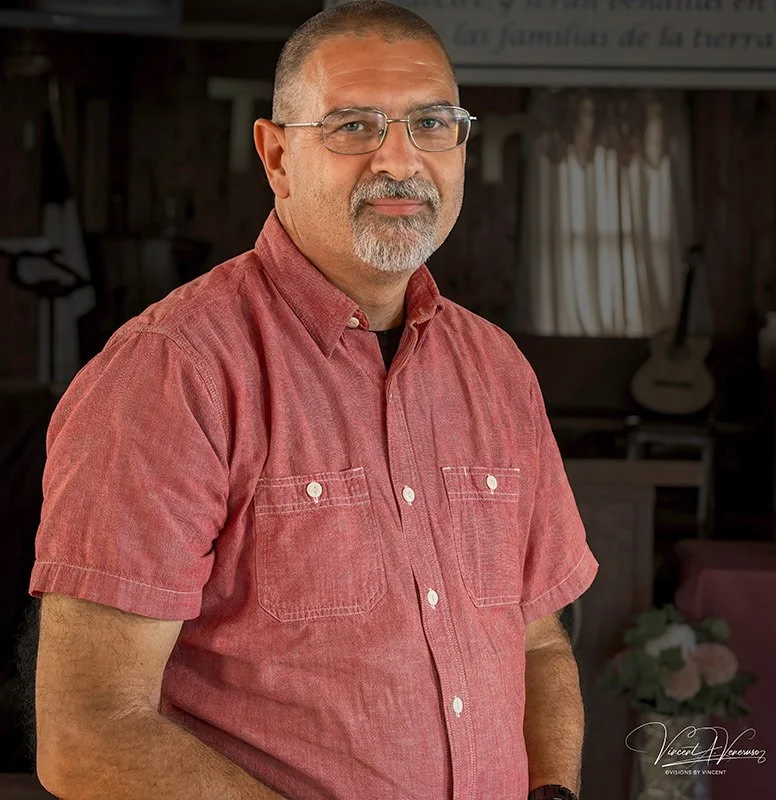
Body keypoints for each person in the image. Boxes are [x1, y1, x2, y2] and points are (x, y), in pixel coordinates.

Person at [29, 2, 599, 799]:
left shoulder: (498, 371)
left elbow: (537, 642)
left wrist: (555, 790)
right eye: (354, 126)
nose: (400, 161)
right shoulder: (171, 374)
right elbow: (89, 733)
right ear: (276, 156)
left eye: (432, 123)